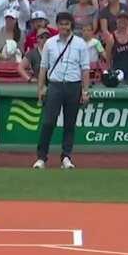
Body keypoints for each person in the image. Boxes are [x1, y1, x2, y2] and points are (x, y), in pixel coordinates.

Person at [34, 12, 90, 169]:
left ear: (71, 25)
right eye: (61, 23)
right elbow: (43, 67)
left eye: (67, 23)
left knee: (69, 124)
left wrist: (85, 91)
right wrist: (41, 88)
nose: (64, 26)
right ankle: (41, 157)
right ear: (57, 25)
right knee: (48, 122)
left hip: (73, 85)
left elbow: (85, 69)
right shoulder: (50, 43)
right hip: (55, 85)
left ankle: (66, 157)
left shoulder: (80, 44)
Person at [105, 11, 128, 82]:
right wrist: (111, 72)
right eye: (120, 19)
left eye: (125, 19)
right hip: (119, 75)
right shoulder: (111, 38)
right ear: (116, 21)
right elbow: (108, 58)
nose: (123, 21)